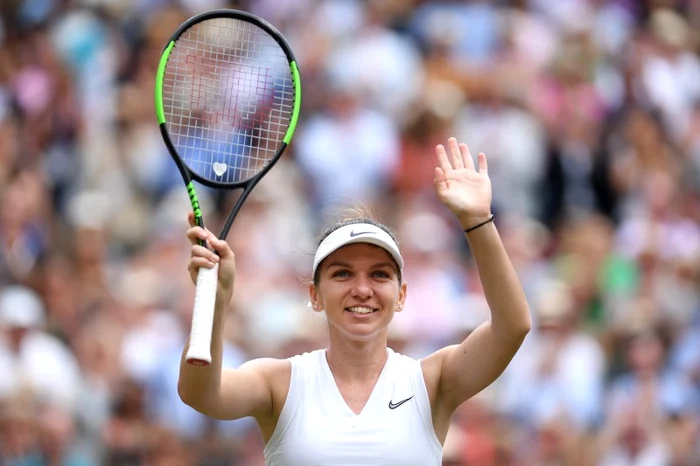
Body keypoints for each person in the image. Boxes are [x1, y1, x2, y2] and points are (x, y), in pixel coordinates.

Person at [178, 137, 532, 465]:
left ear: (401, 296)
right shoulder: (280, 382)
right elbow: (201, 394)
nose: (362, 289)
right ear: (314, 296)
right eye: (342, 274)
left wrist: (477, 221)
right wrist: (216, 298)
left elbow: (513, 326)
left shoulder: (431, 382)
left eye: (379, 274)